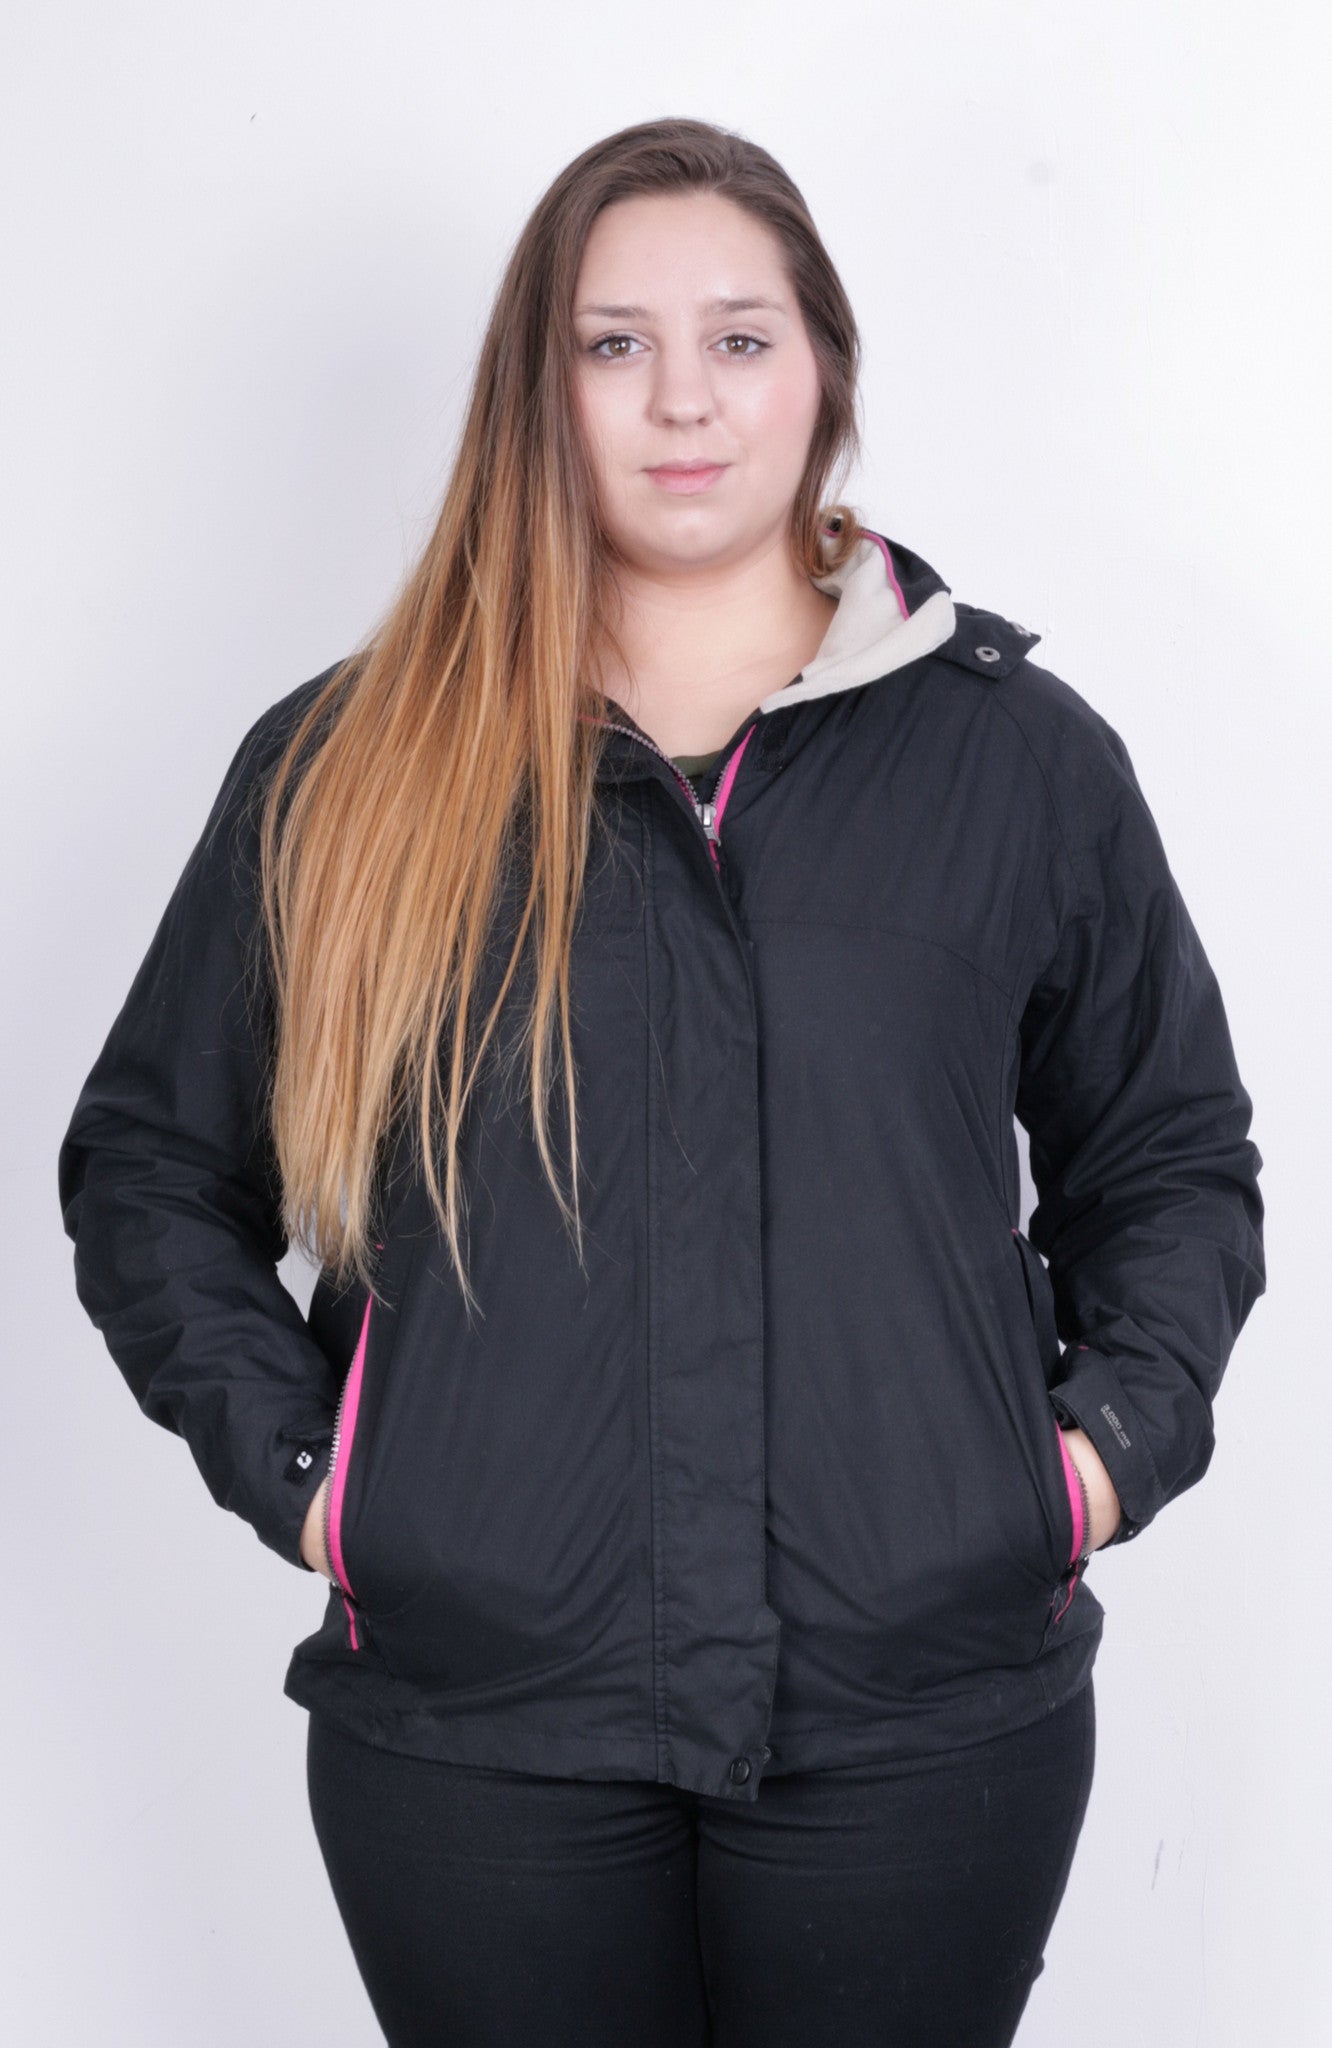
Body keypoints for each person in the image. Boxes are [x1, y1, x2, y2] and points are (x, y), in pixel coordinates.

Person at [57, 116, 1265, 2047]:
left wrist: (1094, 1460)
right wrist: (323, 1483)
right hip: (482, 1733)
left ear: (825, 372)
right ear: (536, 390)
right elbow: (150, 1168)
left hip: (921, 1717)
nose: (682, 400)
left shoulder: (1019, 764)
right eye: (613, 345)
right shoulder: (346, 767)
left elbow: (1173, 1158)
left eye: (739, 339)